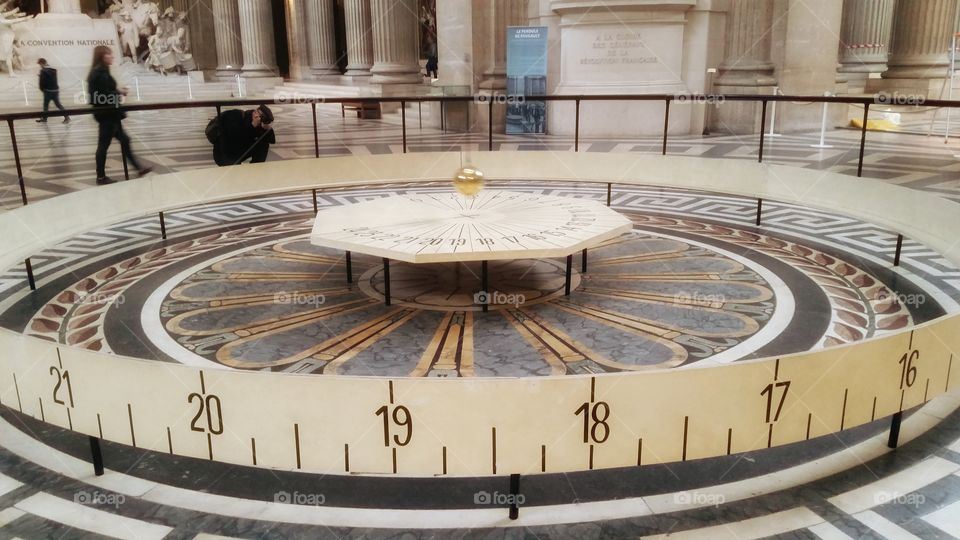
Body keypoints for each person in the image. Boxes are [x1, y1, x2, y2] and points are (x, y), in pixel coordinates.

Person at [87, 45, 151, 185]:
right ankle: (101, 177)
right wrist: (119, 92)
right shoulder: (99, 73)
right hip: (107, 115)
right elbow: (101, 95)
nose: (112, 56)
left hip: (109, 114)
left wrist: (116, 90)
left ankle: (138, 168)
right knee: (104, 145)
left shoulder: (101, 71)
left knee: (124, 140)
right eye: (109, 54)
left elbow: (105, 91)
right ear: (102, 56)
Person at [210, 105, 276, 166]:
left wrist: (267, 129)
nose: (258, 119)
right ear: (255, 111)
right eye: (257, 113)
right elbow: (235, 139)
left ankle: (256, 168)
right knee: (235, 171)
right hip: (224, 153)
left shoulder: (259, 124)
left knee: (263, 143)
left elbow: (272, 140)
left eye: (262, 119)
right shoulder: (237, 116)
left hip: (238, 150)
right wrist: (252, 126)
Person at [36, 58, 68, 123]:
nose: (40, 65)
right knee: (58, 105)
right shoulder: (53, 70)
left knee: (46, 105)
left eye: (40, 64)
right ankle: (67, 117)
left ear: (42, 63)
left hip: (48, 91)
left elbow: (42, 83)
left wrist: (42, 89)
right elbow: (51, 79)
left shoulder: (43, 71)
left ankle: (45, 119)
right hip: (55, 90)